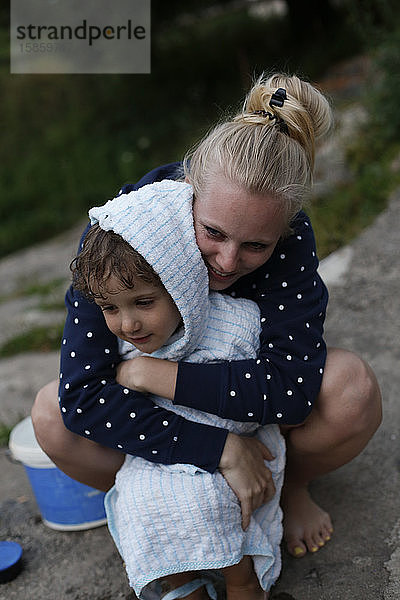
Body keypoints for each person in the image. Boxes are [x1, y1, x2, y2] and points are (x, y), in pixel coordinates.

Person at [31, 73, 382, 560]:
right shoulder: (123, 227)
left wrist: (152, 372)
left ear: (284, 229)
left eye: (256, 244)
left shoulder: (291, 238)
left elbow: (292, 391)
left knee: (352, 388)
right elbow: (81, 394)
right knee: (50, 416)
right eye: (212, 232)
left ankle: (285, 488)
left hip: (251, 421)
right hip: (171, 425)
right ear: (187, 190)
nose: (228, 261)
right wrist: (216, 448)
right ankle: (158, 501)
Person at [71, 178, 286, 599]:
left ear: (180, 284)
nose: (128, 325)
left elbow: (264, 393)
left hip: (232, 447)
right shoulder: (119, 340)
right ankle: (181, 584)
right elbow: (85, 398)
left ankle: (243, 582)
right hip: (154, 447)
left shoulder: (234, 324)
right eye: (110, 309)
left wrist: (151, 378)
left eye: (144, 303)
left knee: (204, 498)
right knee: (140, 502)